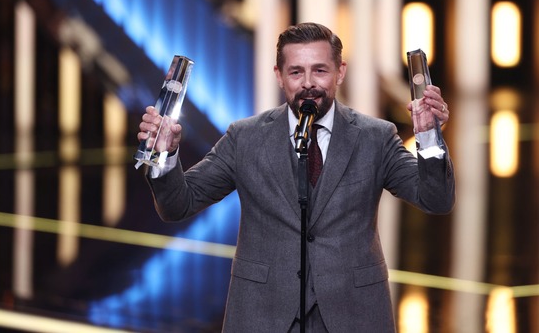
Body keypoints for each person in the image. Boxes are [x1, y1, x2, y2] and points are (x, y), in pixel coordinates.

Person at [137, 22, 455, 332]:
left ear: (340, 72)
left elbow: (436, 199)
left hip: (354, 313)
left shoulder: (376, 137)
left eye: (319, 70)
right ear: (279, 76)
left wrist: (428, 137)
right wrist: (164, 157)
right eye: (296, 72)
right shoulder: (244, 138)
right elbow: (178, 205)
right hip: (262, 313)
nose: (308, 83)